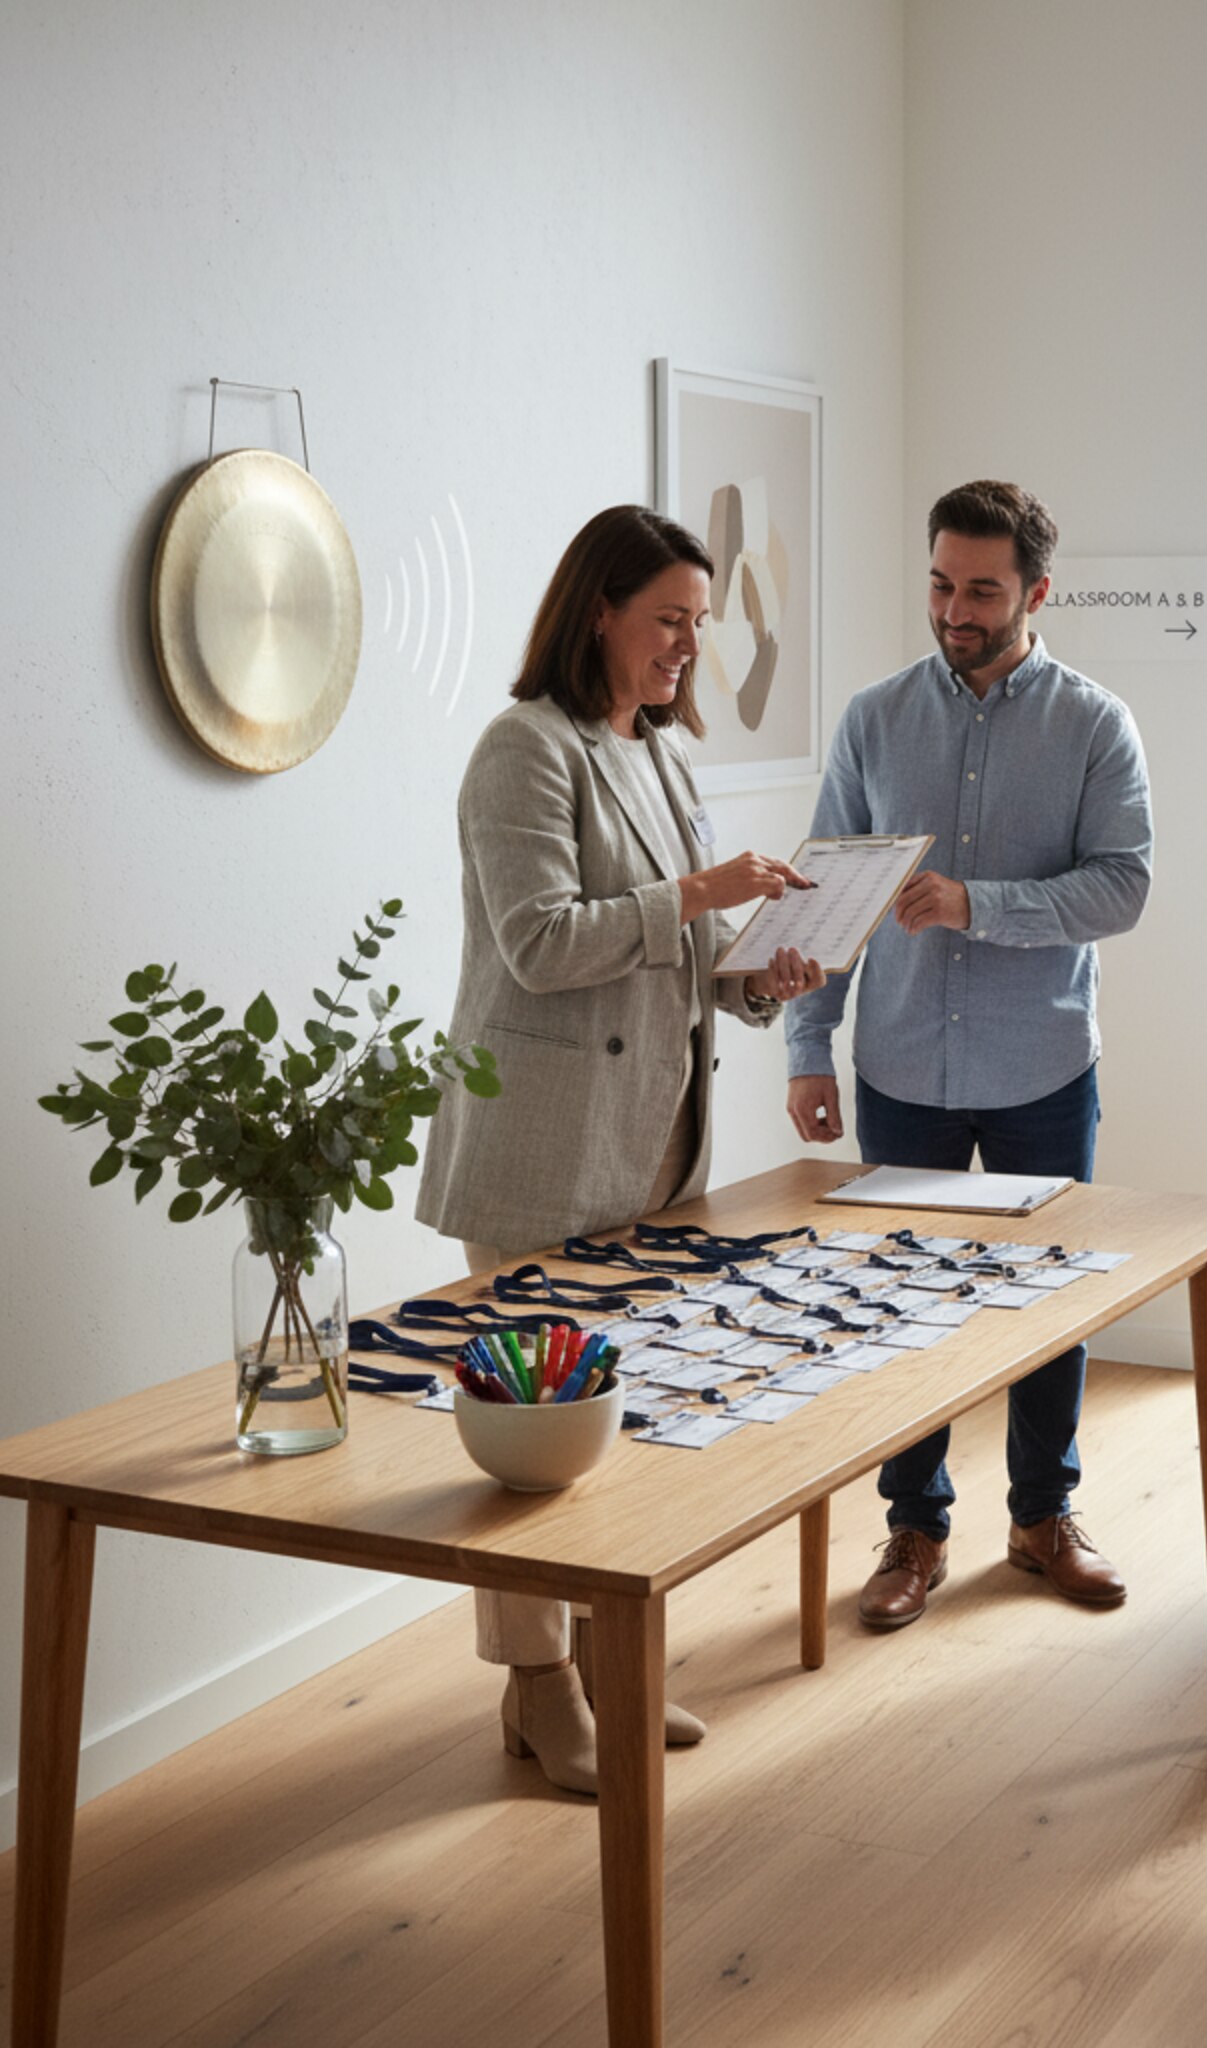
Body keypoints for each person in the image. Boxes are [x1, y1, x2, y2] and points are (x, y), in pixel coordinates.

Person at [417, 504, 826, 1794]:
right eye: (668, 620)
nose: (687, 647)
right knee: (530, 1431)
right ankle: (539, 1683)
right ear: (597, 609)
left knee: (625, 1415)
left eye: (698, 624)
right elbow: (540, 942)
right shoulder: (522, 749)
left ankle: (604, 1660)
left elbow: (681, 952)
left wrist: (759, 974)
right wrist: (703, 894)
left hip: (654, 1140)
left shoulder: (657, 754)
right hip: (541, 1144)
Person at [784, 479, 1152, 1629]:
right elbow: (823, 890)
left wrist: (976, 904)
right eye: (941, 583)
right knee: (901, 1300)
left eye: (982, 590)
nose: (954, 609)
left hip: (1042, 1064)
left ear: (1036, 592)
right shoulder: (873, 718)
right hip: (899, 1065)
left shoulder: (1095, 723)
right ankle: (914, 1525)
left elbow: (1122, 886)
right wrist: (806, 1044)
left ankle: (1043, 1516)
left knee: (1048, 1298)